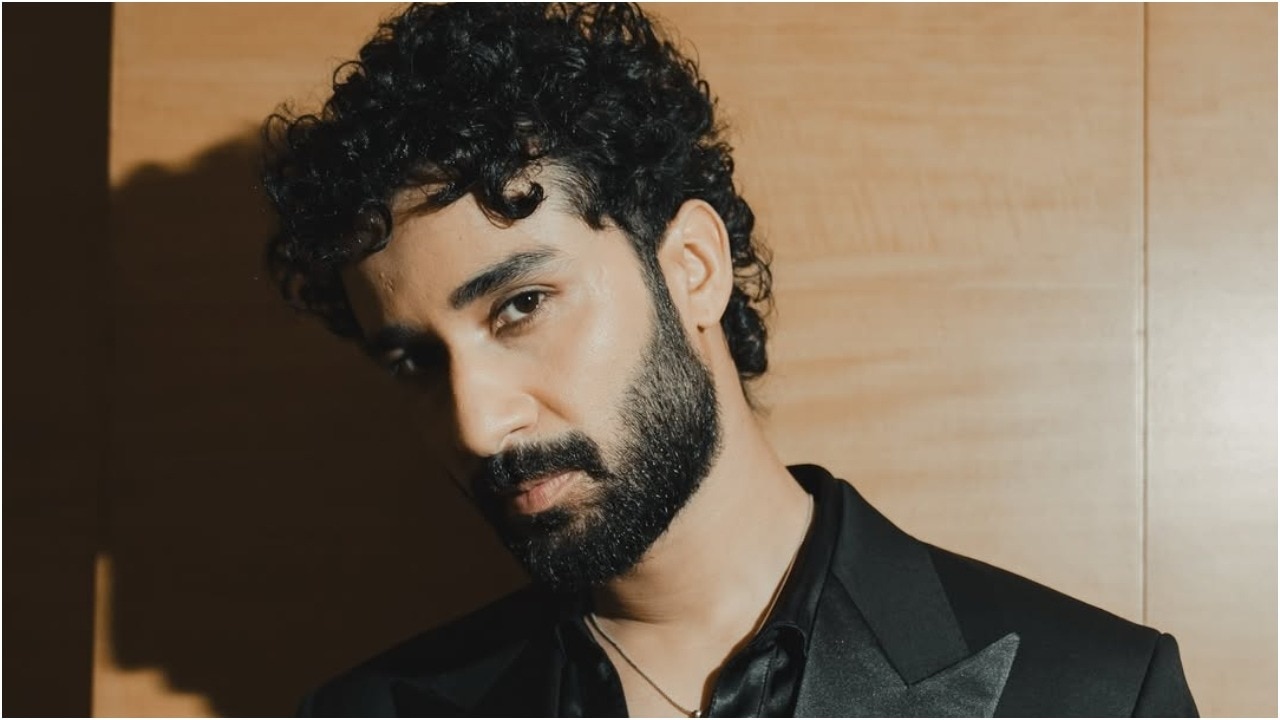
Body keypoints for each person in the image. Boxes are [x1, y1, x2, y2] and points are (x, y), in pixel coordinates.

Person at [262, 3, 1198, 717]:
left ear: (692, 269)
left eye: (522, 306)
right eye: (416, 364)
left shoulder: (1094, 693)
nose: (476, 423)